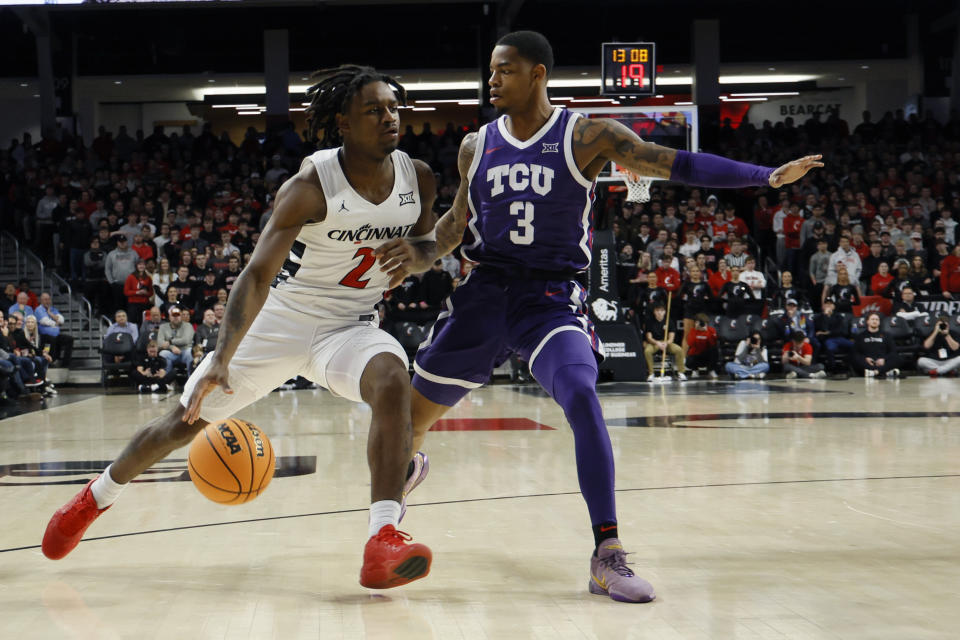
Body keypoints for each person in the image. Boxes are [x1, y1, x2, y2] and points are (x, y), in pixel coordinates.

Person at [403, 31, 820, 603]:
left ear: (538, 74)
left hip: (547, 298)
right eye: (491, 71)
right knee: (405, 426)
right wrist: (421, 253)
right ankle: (399, 487)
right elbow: (456, 220)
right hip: (482, 293)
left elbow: (676, 163)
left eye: (505, 70)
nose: (492, 80)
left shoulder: (585, 133)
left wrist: (764, 177)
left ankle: (607, 553)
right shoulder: (476, 145)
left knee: (580, 391)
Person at [42, 65, 438, 591]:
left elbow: (430, 248)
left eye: (393, 107)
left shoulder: (419, 178)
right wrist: (223, 357)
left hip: (351, 325)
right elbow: (255, 275)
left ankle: (382, 538)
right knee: (181, 424)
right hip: (281, 320)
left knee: (392, 380)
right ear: (343, 123)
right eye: (374, 110)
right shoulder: (311, 185)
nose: (389, 117)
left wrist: (416, 253)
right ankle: (96, 497)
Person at [643, 303, 686, 381]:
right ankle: (651, 373)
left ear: (665, 312)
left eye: (662, 310)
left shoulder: (669, 321)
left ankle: (681, 373)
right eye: (657, 310)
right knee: (647, 351)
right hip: (654, 343)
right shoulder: (649, 321)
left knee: (679, 349)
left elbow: (671, 338)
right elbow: (649, 337)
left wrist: (666, 343)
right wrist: (657, 343)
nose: (659, 312)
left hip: (666, 343)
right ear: (654, 312)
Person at [852, 312, 900, 378]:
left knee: (897, 358)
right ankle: (885, 372)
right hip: (868, 362)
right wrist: (865, 359)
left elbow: (893, 351)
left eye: (877, 319)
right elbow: (856, 352)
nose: (875, 321)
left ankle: (874, 372)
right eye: (872, 319)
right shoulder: (860, 336)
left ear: (879, 322)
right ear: (867, 322)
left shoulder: (887, 335)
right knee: (854, 358)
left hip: (882, 362)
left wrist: (884, 359)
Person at [34, 292, 74, 367]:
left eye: (49, 299)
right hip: (44, 336)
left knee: (69, 339)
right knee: (51, 339)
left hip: (56, 335)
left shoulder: (52, 309)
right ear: (41, 300)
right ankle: (52, 362)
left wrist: (50, 313)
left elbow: (62, 320)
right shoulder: (38, 310)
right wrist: (56, 322)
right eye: (45, 299)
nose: (47, 301)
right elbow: (45, 321)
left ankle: (65, 365)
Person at [813, 298, 852, 372]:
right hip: (828, 340)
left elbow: (841, 331)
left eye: (830, 304)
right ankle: (833, 369)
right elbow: (820, 330)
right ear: (823, 306)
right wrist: (825, 316)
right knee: (830, 348)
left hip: (839, 338)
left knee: (854, 346)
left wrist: (826, 333)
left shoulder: (839, 316)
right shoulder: (818, 317)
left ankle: (846, 365)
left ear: (834, 306)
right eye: (826, 304)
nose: (828, 305)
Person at [684, 313, 720, 378]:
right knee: (691, 355)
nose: (700, 324)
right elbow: (691, 343)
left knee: (714, 350)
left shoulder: (711, 330)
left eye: (702, 322)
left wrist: (706, 332)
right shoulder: (693, 331)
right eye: (697, 322)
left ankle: (711, 370)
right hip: (696, 355)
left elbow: (713, 344)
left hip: (707, 356)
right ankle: (695, 370)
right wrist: (696, 330)